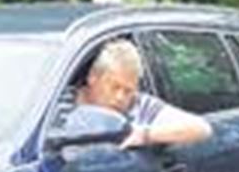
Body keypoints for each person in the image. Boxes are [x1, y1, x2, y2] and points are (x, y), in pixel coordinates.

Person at [75, 39, 212, 148]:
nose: (120, 97)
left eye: (128, 90)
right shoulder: (59, 101)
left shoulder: (141, 106)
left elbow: (201, 129)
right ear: (93, 77)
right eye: (114, 87)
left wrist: (146, 135)